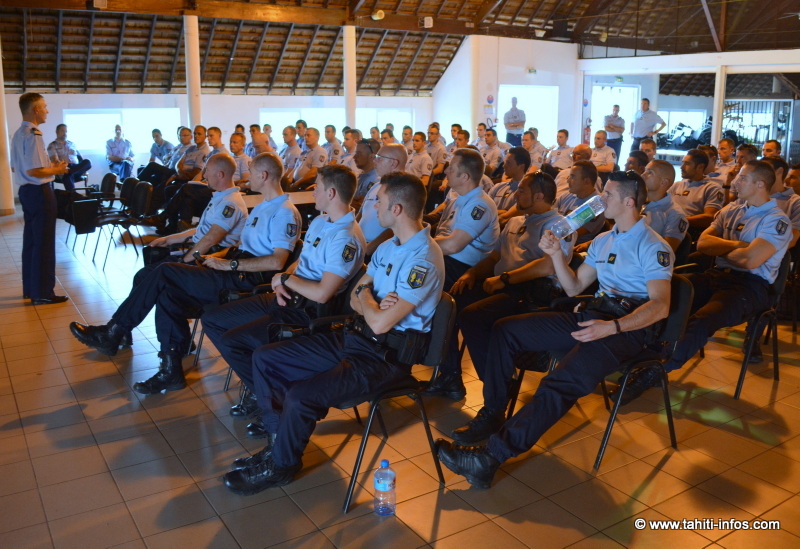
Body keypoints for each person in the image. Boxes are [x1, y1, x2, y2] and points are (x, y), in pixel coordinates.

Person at [436, 171, 673, 486]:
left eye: (609, 196)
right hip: (594, 314)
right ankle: (494, 411)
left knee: (559, 383)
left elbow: (660, 306)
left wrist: (611, 328)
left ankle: (488, 458)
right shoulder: (604, 240)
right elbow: (574, 287)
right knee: (505, 330)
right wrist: (556, 256)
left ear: (629, 202)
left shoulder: (653, 246)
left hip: (627, 329)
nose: (602, 201)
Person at [221, 172, 445, 494]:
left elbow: (380, 322)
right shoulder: (388, 247)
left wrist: (368, 301)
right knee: (266, 359)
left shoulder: (423, 258)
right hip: (356, 338)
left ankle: (283, 465)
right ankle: (276, 444)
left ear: (396, 209)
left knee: (301, 395)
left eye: (378, 201)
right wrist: (372, 301)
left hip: (385, 358)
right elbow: (357, 298)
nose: (373, 207)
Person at [69, 153, 302, 394]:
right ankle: (171, 370)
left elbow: (277, 261)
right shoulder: (263, 206)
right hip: (232, 268)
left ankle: (114, 331)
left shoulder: (284, 212)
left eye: (251, 172)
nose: (246, 177)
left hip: (243, 281)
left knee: (164, 271)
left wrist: (229, 265)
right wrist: (217, 258)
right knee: (168, 293)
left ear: (263, 176)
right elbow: (241, 247)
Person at [203, 164, 366, 438]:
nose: (313, 191)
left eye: (317, 187)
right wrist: (282, 278)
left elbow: (324, 293)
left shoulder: (346, 237)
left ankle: (272, 406)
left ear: (332, 192)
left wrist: (286, 281)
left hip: (308, 311)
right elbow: (301, 262)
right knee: (214, 321)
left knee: (247, 345)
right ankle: (264, 394)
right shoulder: (321, 221)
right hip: (288, 295)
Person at [617, 161, 792, 403]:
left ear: (760, 184)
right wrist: (738, 247)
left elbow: (751, 260)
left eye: (742, 178)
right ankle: (643, 353)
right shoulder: (733, 209)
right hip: (717, 277)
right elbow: (703, 244)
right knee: (667, 296)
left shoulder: (777, 220)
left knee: (702, 320)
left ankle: (656, 369)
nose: (735, 181)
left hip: (750, 287)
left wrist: (724, 249)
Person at [425, 170, 573, 401]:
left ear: (539, 196)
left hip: (532, 293)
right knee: (447, 303)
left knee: (473, 316)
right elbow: (495, 258)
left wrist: (504, 279)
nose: (515, 194)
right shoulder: (515, 221)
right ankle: (450, 375)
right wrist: (472, 273)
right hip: (502, 286)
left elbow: (547, 267)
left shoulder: (559, 225)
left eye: (522, 190)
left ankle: (499, 386)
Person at [10, 93, 70, 304]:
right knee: (44, 243)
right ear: (35, 109)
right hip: (39, 192)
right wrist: (57, 169)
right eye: (44, 107)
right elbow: (35, 170)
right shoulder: (35, 134)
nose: (47, 110)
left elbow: (15, 167)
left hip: (27, 192)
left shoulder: (19, 133)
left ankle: (31, 288)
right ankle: (43, 292)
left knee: (32, 242)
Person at [358, 144, 409, 256]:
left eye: (379, 158)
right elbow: (361, 214)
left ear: (393, 163)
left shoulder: (404, 189)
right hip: (359, 244)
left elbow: (399, 226)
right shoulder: (376, 185)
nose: (374, 161)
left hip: (378, 250)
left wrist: (369, 247)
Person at [669, 149, 723, 233]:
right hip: (669, 226)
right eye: (683, 162)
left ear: (700, 167)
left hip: (689, 231)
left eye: (687, 164)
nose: (681, 167)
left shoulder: (712, 188)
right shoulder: (676, 185)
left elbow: (710, 217)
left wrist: (679, 220)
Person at [641, 160, 689, 252]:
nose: (643, 175)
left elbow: (666, 251)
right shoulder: (636, 203)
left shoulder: (675, 214)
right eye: (645, 171)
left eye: (649, 172)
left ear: (664, 182)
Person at [555, 160, 606, 245]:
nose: (568, 181)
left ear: (587, 181)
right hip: (554, 243)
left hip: (571, 250)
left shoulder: (595, 205)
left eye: (573, 177)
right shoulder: (566, 196)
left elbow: (566, 234)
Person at [47, 123, 91, 191]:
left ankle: (70, 171)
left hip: (76, 169)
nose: (65, 133)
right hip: (64, 170)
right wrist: (66, 168)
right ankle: (74, 197)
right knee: (67, 176)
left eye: (66, 131)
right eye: (62, 131)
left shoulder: (72, 144)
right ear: (57, 132)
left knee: (88, 162)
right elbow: (55, 160)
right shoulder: (52, 145)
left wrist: (82, 169)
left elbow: (80, 158)